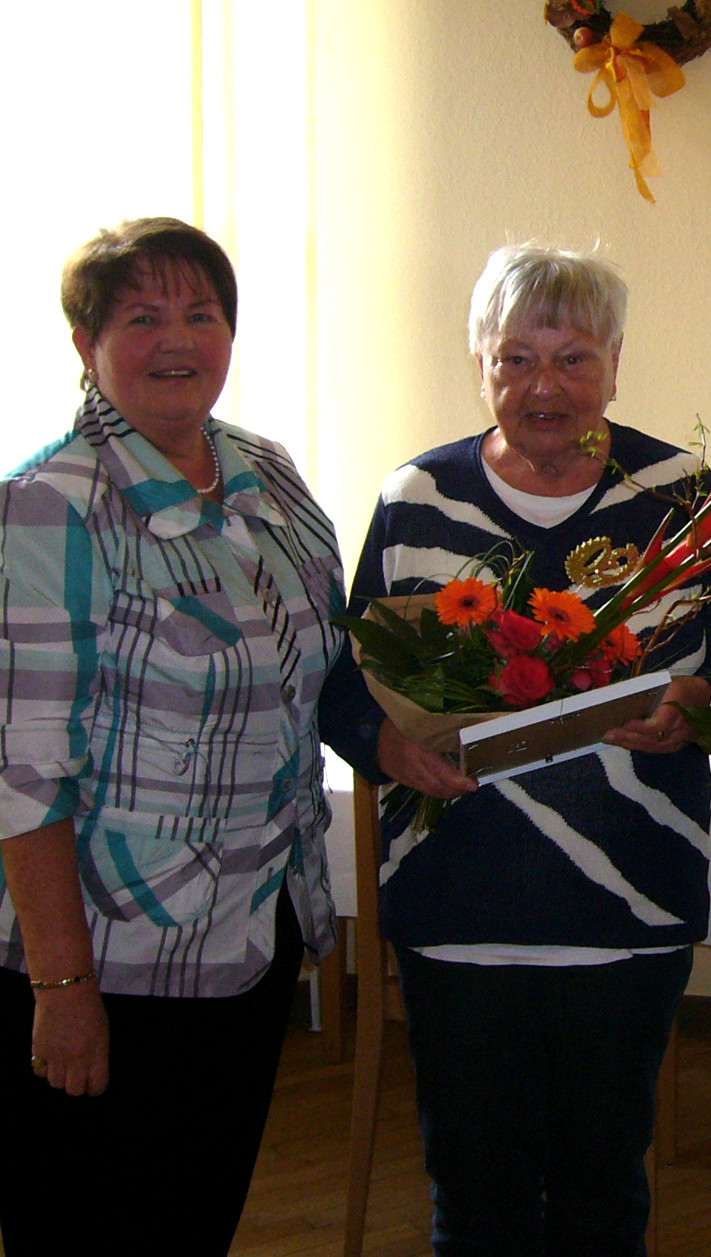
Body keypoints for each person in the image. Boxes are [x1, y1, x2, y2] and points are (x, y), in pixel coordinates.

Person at [0, 217, 420, 1256]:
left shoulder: (265, 476)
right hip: (110, 955)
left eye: (200, 313)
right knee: (89, 1228)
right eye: (141, 317)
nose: (176, 339)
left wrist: (406, 735)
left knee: (193, 1220)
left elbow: (325, 666)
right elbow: (22, 777)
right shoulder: (52, 508)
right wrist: (62, 990)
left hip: (247, 938)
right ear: (86, 347)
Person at [344, 243, 711, 1256]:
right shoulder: (418, 498)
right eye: (513, 359)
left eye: (573, 358)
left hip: (628, 907)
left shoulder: (682, 495)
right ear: (479, 362)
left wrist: (694, 706)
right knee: (474, 1196)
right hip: (457, 902)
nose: (543, 386)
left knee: (602, 1193)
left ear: (616, 363)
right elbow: (341, 680)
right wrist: (389, 751)